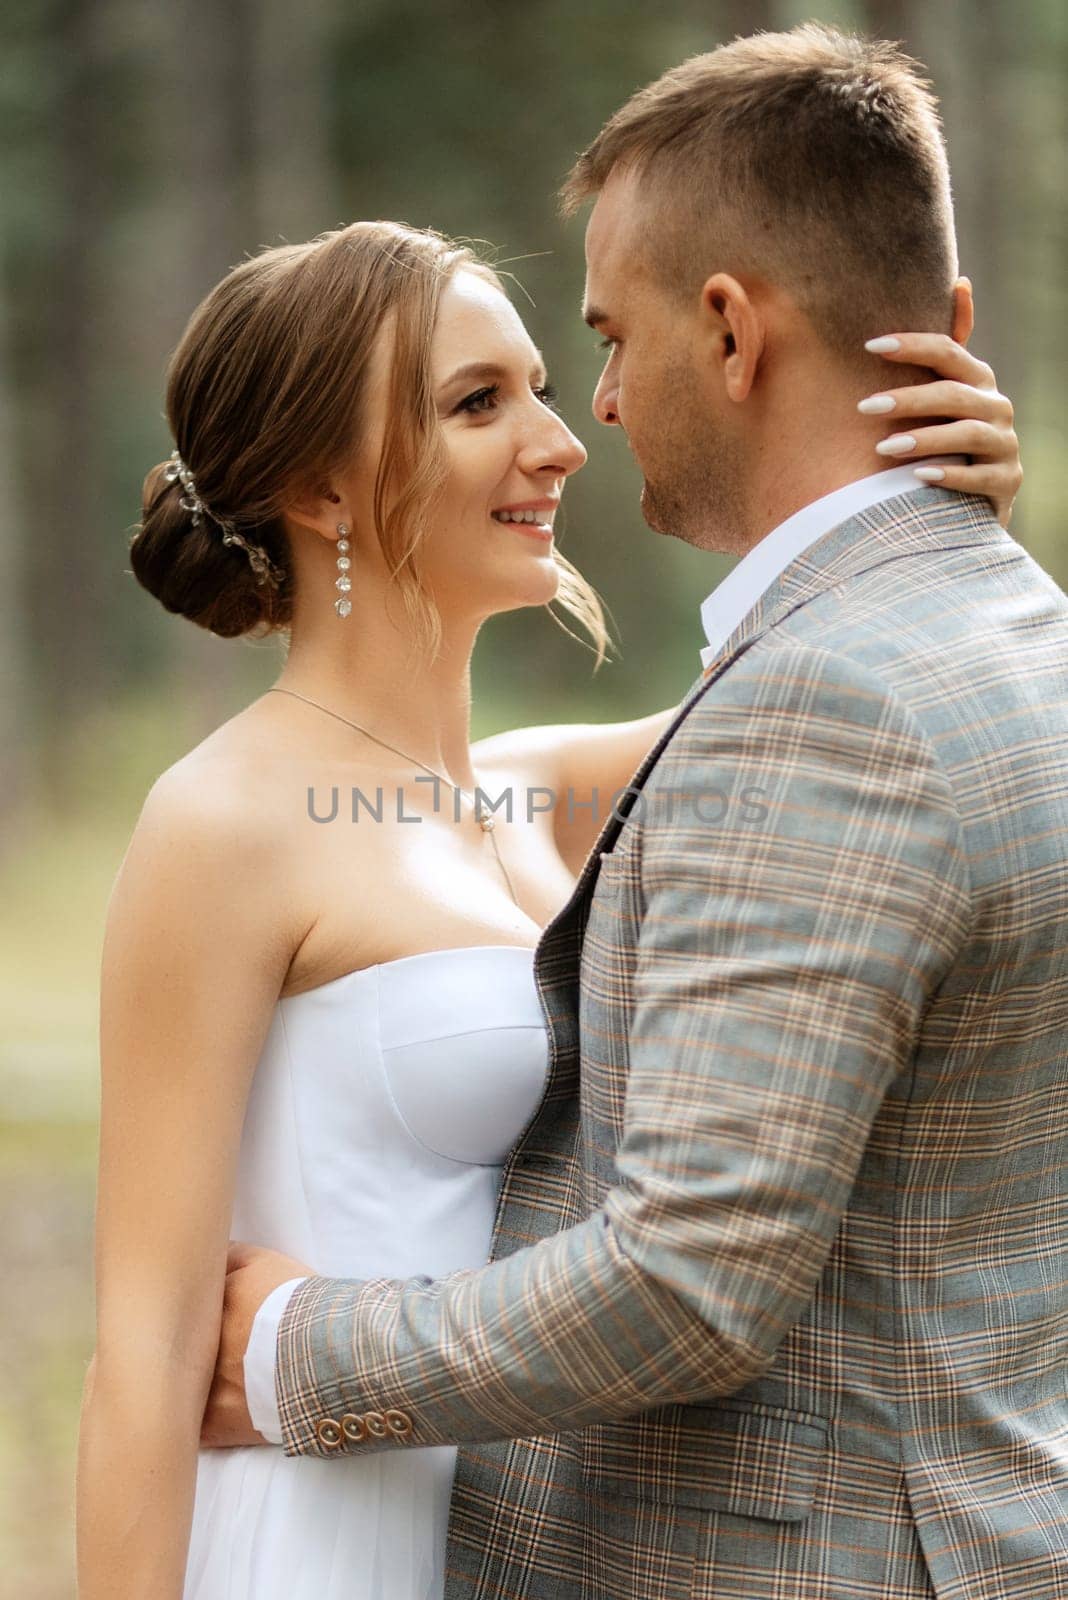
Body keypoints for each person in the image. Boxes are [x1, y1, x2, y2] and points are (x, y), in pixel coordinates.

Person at [198, 23, 1066, 1600]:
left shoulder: (837, 701)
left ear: (731, 333)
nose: (585, 416)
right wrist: (951, 530)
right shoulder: (1007, 636)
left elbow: (692, 1277)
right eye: (485, 398)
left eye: (596, 345)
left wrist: (291, 1354)